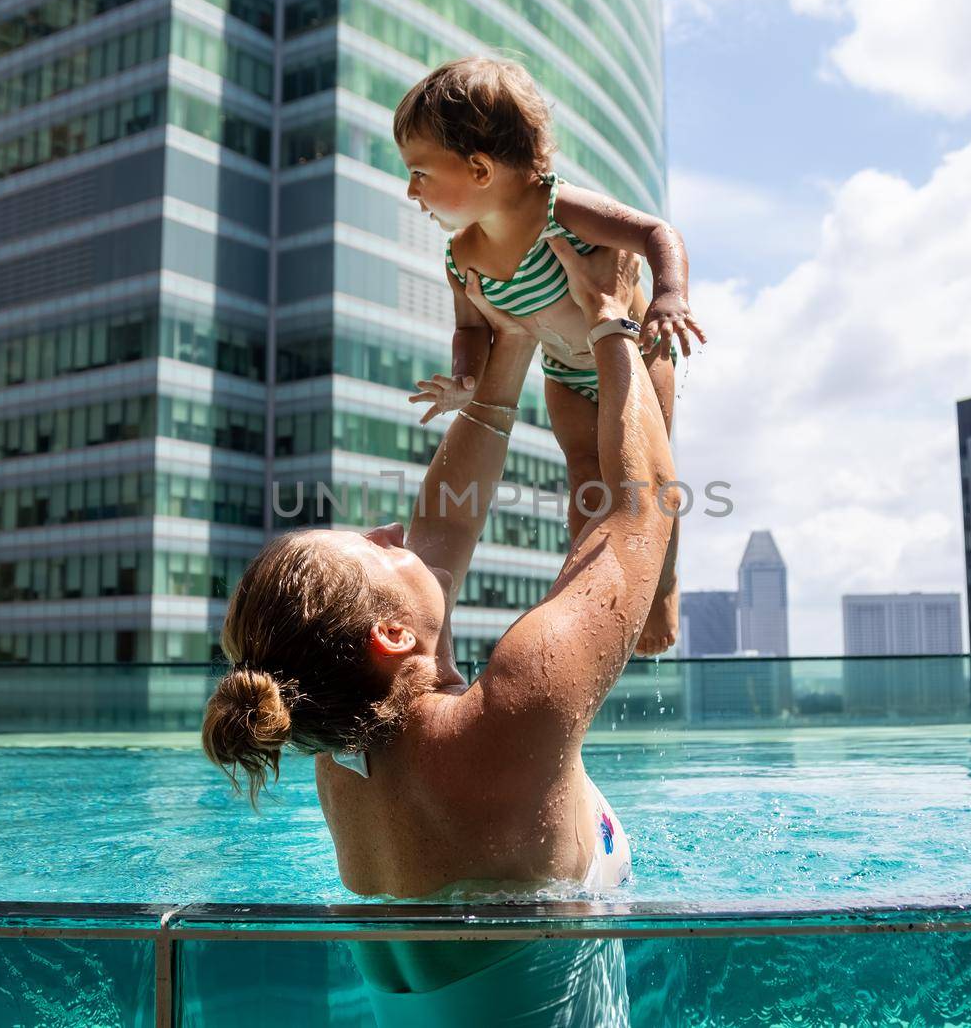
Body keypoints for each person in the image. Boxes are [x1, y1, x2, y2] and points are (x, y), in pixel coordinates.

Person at [202, 239, 678, 1025]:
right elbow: (642, 510)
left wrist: (512, 344)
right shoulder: (510, 713)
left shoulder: (341, 750)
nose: (398, 530)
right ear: (391, 635)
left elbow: (444, 525)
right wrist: (611, 322)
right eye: (379, 548)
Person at [396, 56, 703, 656]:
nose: (412, 191)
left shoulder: (560, 209)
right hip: (564, 370)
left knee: (643, 483)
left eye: (419, 173)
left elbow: (656, 233)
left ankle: (661, 583)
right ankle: (586, 588)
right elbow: (472, 329)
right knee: (584, 477)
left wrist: (668, 296)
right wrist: (465, 379)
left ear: (480, 168)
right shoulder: (464, 257)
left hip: (638, 353)